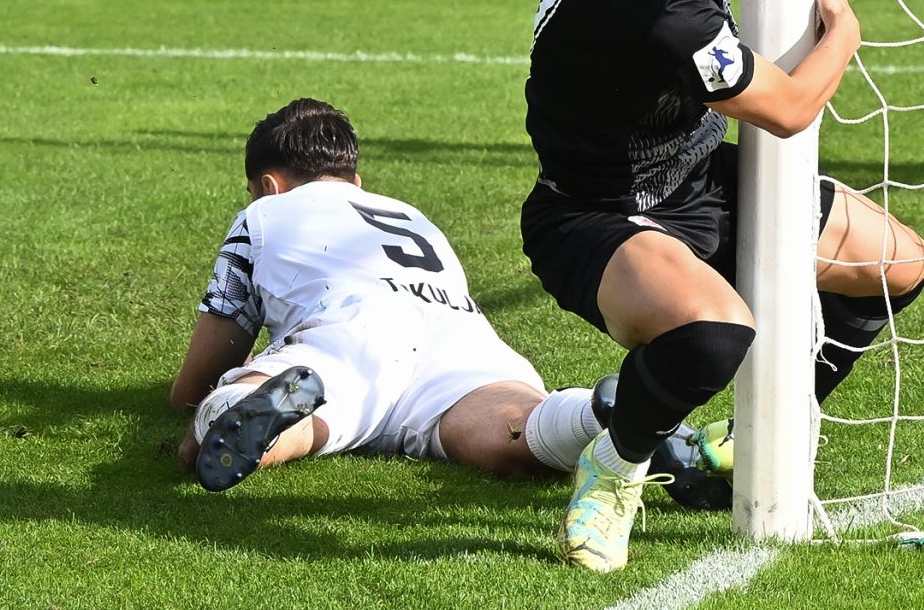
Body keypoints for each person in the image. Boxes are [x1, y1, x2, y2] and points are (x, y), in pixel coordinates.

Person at [522, 0, 924, 571]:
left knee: (896, 263)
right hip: (594, 213)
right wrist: (845, 32)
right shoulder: (659, 11)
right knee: (715, 332)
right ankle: (614, 467)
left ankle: (739, 445)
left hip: (689, 177)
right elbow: (788, 106)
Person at [170, 98, 609, 492]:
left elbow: (193, 383)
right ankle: (597, 415)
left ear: (269, 186)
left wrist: (237, 374)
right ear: (355, 181)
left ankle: (250, 407)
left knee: (268, 420)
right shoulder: (411, 215)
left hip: (346, 338)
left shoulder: (264, 213)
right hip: (458, 340)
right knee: (513, 429)